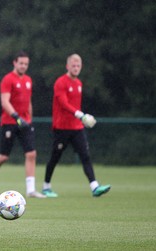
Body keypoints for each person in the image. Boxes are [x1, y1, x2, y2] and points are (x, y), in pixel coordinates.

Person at [42, 54, 111, 198]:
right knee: (55, 157)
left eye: (78, 66)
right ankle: (46, 187)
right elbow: (63, 103)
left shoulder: (79, 83)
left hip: (77, 127)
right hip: (61, 127)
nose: (76, 68)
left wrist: (80, 118)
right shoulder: (60, 82)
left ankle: (94, 187)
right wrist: (81, 115)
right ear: (67, 66)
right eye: (73, 65)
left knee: (85, 156)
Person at [0, 51, 46, 199]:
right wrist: (17, 117)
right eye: (21, 63)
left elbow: (28, 101)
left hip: (26, 123)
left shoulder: (28, 80)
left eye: (26, 64)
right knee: (4, 156)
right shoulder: (8, 79)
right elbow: (5, 102)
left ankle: (31, 190)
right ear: (15, 63)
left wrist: (29, 120)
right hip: (10, 122)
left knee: (31, 154)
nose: (23, 66)